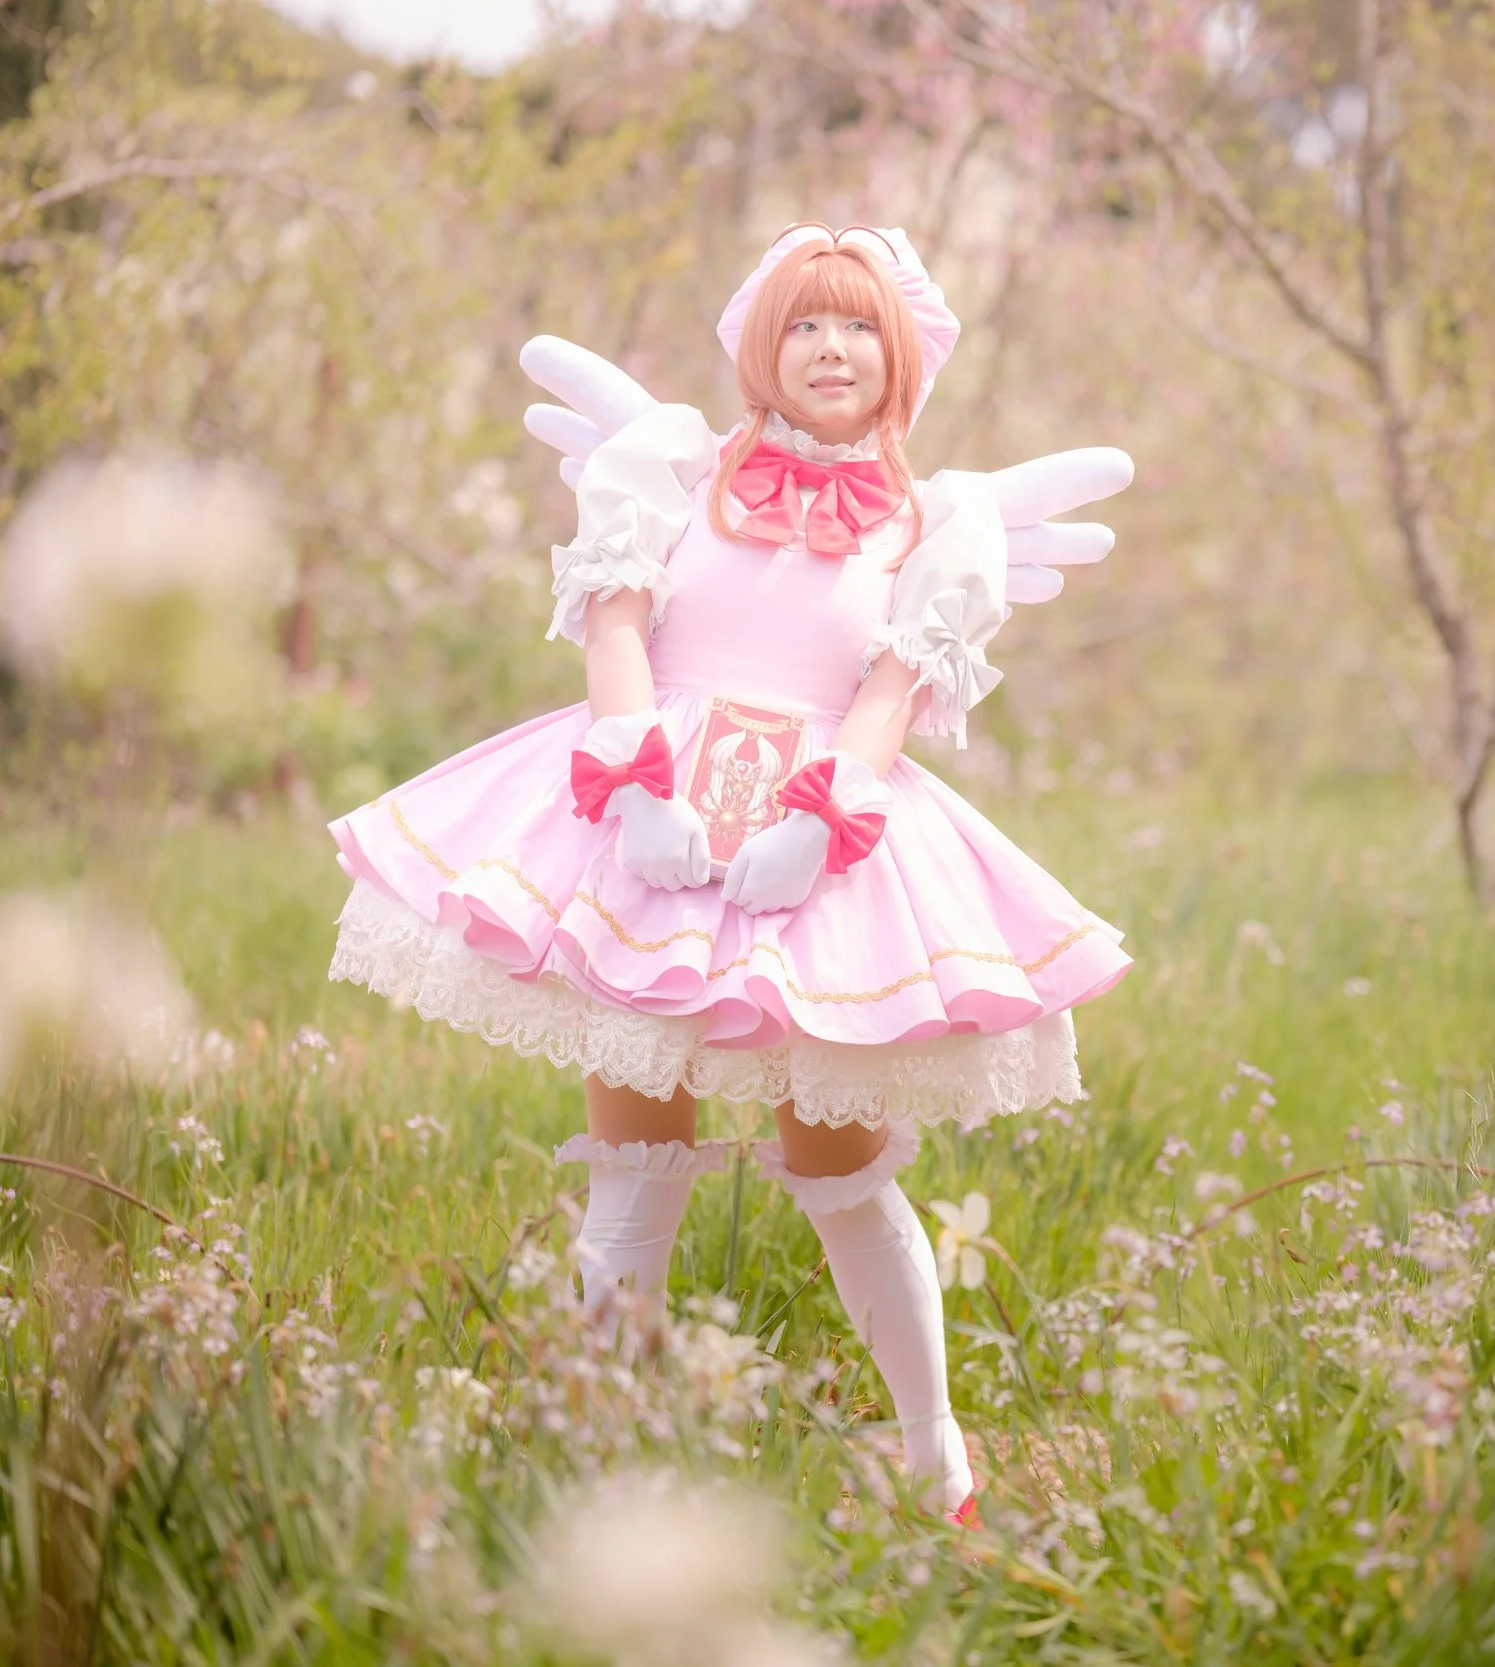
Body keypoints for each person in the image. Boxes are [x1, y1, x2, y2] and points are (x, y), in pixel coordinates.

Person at [325, 223, 1135, 1520]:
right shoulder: (672, 468)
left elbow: (892, 689)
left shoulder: (938, 521)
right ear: (765, 344)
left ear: (902, 359)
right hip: (648, 831)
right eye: (807, 323)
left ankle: (940, 1463)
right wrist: (638, 786)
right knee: (632, 1163)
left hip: (825, 851)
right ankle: (605, 1456)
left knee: (844, 1171)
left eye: (861, 325)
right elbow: (618, 624)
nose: (833, 347)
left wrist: (824, 817)